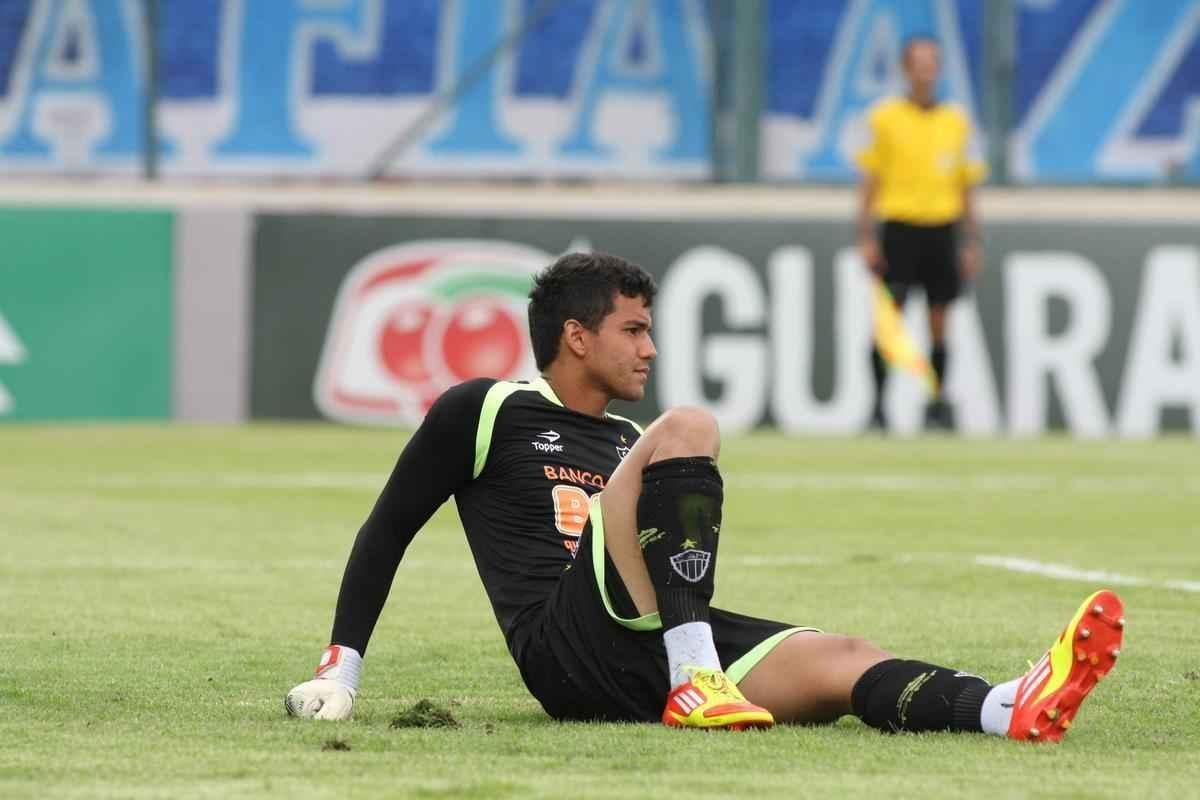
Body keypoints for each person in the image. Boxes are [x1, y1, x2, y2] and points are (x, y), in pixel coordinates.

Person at [286, 252, 1124, 738]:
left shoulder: (622, 442)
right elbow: (387, 530)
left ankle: (1005, 707)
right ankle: (699, 680)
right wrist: (341, 671)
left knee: (844, 659)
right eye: (634, 329)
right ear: (576, 337)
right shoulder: (488, 408)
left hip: (648, 640)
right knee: (690, 424)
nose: (650, 348)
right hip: (567, 647)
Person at [856, 35, 987, 431]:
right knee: (889, 323)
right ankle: (878, 408)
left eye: (932, 62)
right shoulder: (885, 118)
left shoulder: (956, 121)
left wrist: (970, 240)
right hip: (898, 229)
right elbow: (870, 181)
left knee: (938, 321)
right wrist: (866, 235)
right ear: (905, 69)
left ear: (939, 69)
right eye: (918, 63)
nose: (925, 70)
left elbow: (966, 187)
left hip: (942, 230)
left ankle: (936, 403)